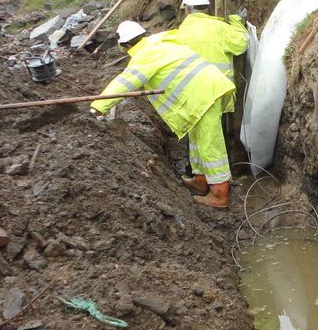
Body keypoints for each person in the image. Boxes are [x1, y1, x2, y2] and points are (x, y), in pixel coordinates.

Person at [90, 20, 236, 209]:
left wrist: (98, 107)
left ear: (125, 45)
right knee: (198, 140)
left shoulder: (145, 55)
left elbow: (126, 82)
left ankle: (219, 196)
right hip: (205, 90)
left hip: (202, 96)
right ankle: (200, 182)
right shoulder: (161, 42)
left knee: (210, 144)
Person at [169, 0, 249, 196]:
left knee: (205, 139)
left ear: (186, 9)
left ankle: (219, 194)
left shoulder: (180, 33)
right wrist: (238, 23)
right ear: (206, 7)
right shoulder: (219, 27)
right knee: (203, 138)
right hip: (216, 92)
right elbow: (241, 44)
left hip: (192, 94)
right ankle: (200, 178)